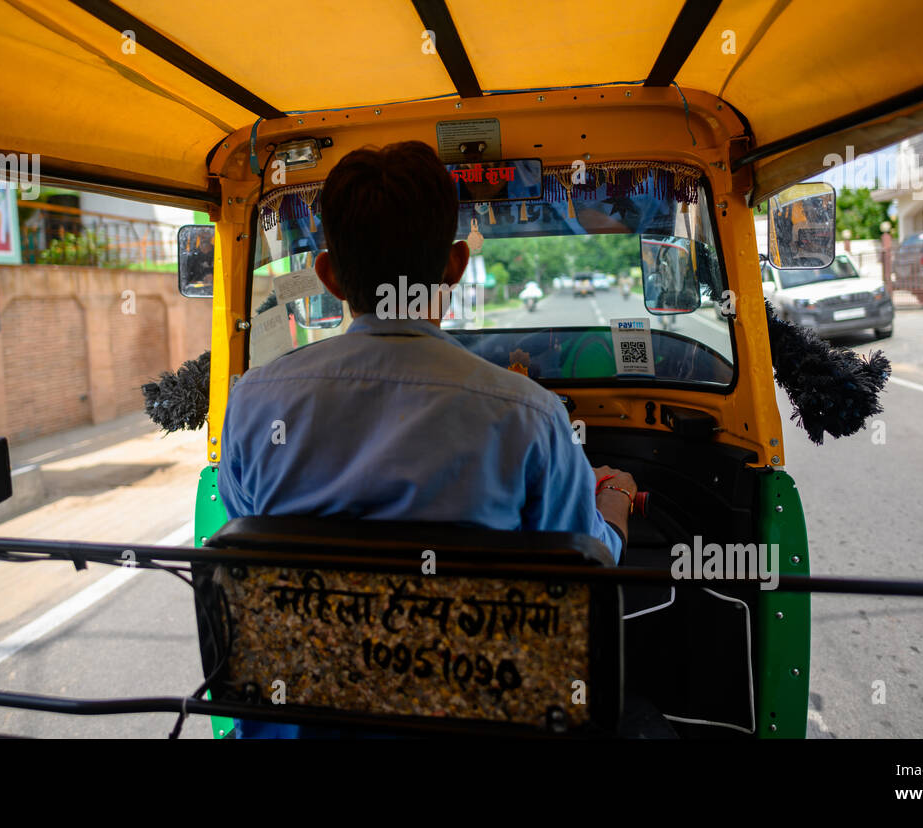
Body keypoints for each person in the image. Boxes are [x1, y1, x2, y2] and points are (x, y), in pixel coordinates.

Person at [218, 141, 638, 738]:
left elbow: (252, 546)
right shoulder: (531, 417)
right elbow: (587, 569)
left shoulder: (252, 405)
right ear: (456, 266)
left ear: (330, 276)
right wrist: (615, 504)